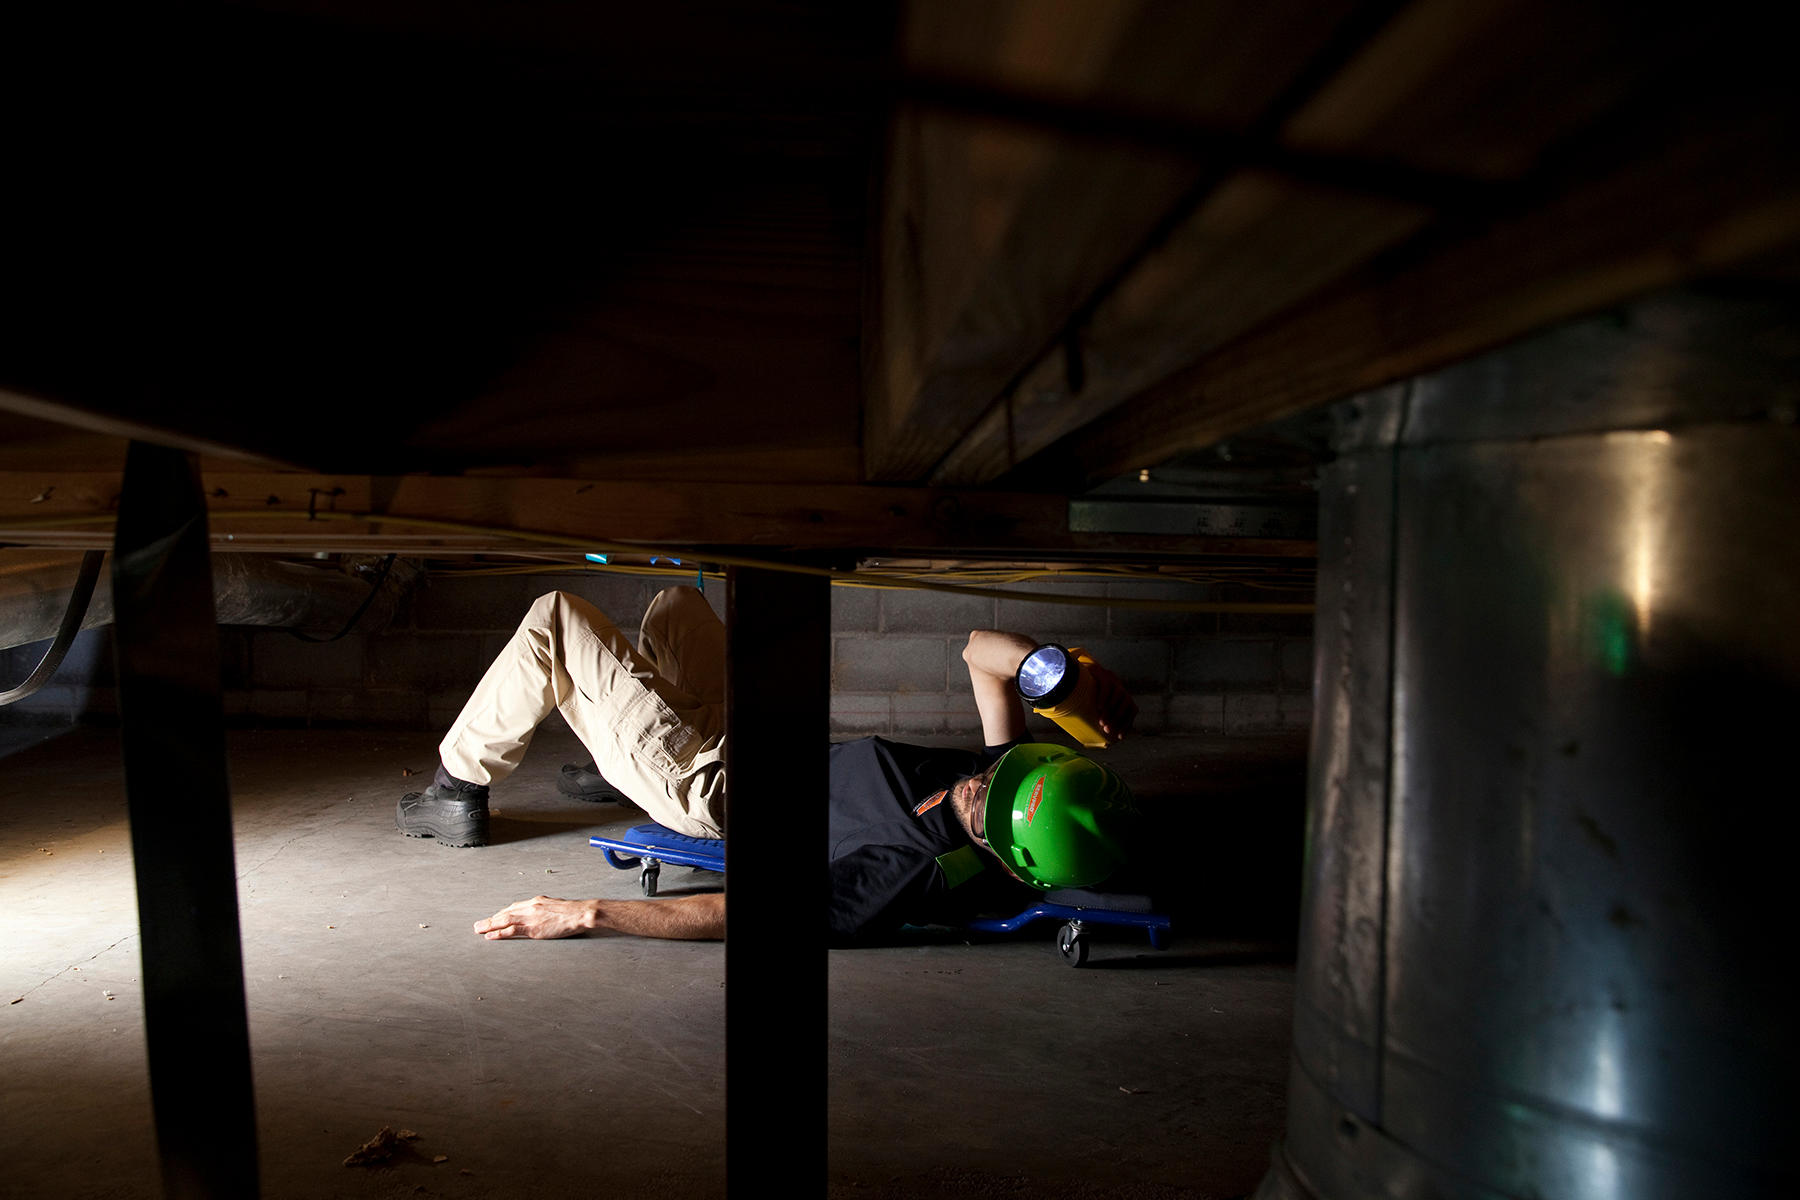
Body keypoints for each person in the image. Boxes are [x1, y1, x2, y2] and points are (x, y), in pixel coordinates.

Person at [396, 587, 1141, 943]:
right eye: (998, 774)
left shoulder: (907, 869)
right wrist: (1055, 675)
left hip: (703, 780)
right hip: (752, 740)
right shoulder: (1008, 793)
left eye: (983, 801)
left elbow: (750, 917)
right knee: (674, 607)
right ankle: (614, 755)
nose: (977, 782)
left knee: (556, 619)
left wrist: (588, 914)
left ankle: (456, 786)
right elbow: (980, 653)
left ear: (1008, 861)